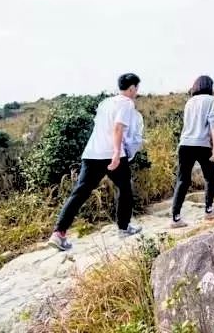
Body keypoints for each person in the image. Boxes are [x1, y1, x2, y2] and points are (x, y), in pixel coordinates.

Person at [48, 73, 144, 251]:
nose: (137, 92)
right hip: (111, 153)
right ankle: (123, 228)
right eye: (136, 88)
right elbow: (118, 127)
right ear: (131, 88)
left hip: (92, 153)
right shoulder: (127, 103)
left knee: (79, 193)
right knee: (124, 188)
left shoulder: (105, 103)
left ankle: (59, 233)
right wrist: (116, 153)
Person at [169, 75, 214, 228]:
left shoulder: (189, 102)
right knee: (210, 177)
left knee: (182, 180)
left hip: (185, 144)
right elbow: (213, 123)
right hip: (202, 144)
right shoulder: (212, 100)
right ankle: (209, 210)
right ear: (209, 86)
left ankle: (175, 218)